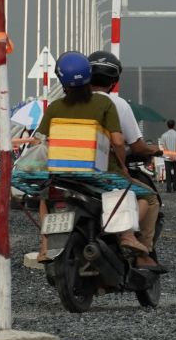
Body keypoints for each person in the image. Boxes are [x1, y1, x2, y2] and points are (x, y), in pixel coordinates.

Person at [34, 52, 155, 268]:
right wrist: (121, 167)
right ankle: (127, 236)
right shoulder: (102, 103)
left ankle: (45, 244)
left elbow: (40, 141)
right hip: (99, 172)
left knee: (46, 198)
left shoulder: (55, 107)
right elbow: (118, 141)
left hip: (62, 173)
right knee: (145, 196)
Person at [88, 50, 165, 254]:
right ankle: (141, 251)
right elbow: (132, 145)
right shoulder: (117, 104)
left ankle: (44, 245)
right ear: (113, 81)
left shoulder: (67, 103)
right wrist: (153, 150)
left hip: (67, 169)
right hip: (106, 171)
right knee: (149, 198)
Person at [158, 119, 176, 194]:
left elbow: (164, 147)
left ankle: (168, 188)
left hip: (167, 157)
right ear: (174, 125)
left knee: (168, 172)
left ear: (167, 126)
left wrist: (170, 155)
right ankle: (175, 187)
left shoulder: (164, 135)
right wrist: (174, 155)